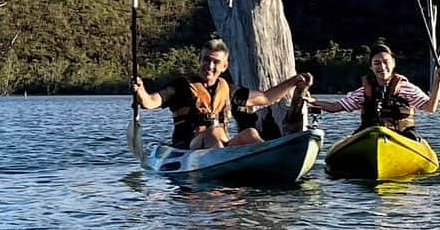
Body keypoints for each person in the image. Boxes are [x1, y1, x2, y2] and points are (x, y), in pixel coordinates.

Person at [131, 38, 312, 150]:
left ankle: (267, 157)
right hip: (188, 149)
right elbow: (150, 102)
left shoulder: (228, 89)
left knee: (249, 132)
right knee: (213, 132)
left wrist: (294, 81)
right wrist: (140, 91)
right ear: (199, 60)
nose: (209, 66)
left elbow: (266, 98)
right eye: (206, 60)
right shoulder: (181, 86)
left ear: (224, 66)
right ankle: (221, 167)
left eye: (215, 62)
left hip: (219, 146)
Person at [313, 38, 440, 140]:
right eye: (377, 63)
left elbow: (430, 108)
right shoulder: (363, 92)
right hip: (370, 136)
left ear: (393, 64)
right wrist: (311, 101)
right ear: (371, 67)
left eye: (386, 62)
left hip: (402, 136)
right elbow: (335, 107)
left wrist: (437, 82)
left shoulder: (407, 89)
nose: (382, 66)